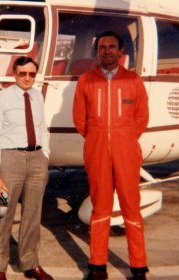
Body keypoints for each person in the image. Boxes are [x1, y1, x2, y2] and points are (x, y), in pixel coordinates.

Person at [72, 31, 150, 280]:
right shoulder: (85, 80)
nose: (106, 50)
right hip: (96, 150)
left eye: (111, 46)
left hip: (126, 149)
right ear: (97, 51)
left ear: (121, 51)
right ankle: (97, 265)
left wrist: (122, 137)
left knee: (131, 207)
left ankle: (138, 267)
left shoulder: (133, 80)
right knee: (100, 208)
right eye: (102, 47)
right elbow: (79, 119)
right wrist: (98, 138)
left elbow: (141, 118)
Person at [0, 56, 53, 280]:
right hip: (9, 159)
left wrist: (45, 154)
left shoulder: (37, 96)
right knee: (2, 214)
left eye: (32, 74)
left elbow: (42, 127)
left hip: (36, 160)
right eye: (23, 73)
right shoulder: (1, 97)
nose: (27, 78)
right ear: (14, 74)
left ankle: (30, 263)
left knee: (33, 215)